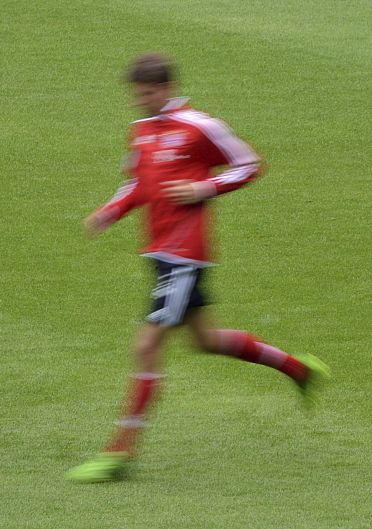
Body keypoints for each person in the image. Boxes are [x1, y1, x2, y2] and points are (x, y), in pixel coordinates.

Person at [67, 53, 330, 482]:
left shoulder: (199, 126)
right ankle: (298, 368)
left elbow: (249, 164)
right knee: (206, 340)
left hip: (184, 254)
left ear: (165, 88)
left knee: (147, 346)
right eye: (136, 95)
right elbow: (137, 185)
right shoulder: (142, 131)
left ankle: (120, 452)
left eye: (146, 94)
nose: (139, 101)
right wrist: (109, 212)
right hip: (160, 252)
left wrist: (202, 187)